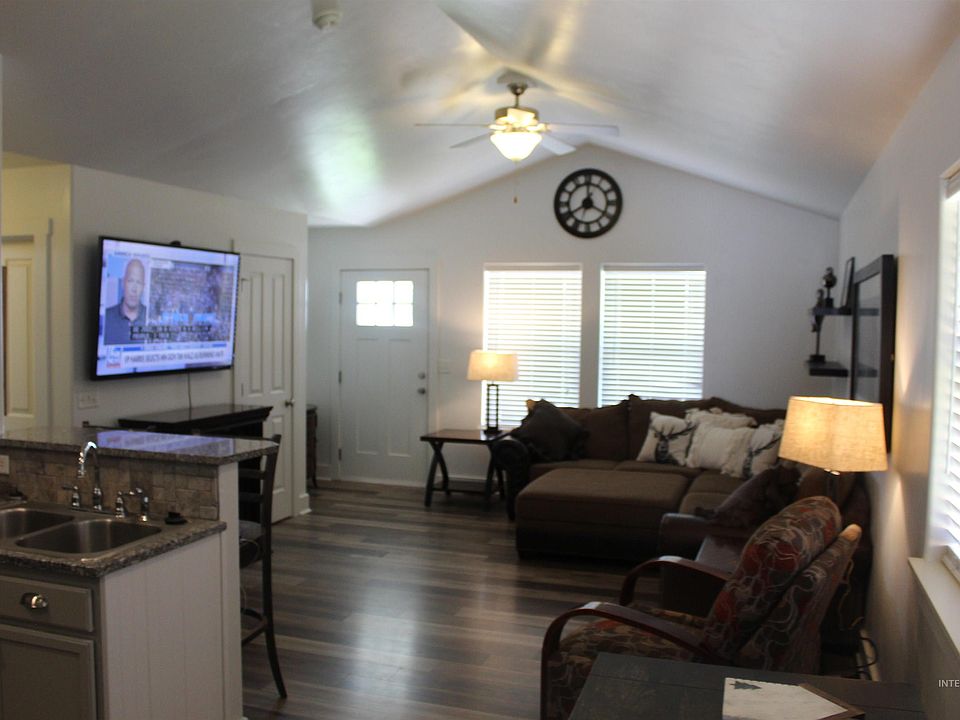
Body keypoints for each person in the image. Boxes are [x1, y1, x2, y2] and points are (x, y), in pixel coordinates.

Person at [103, 258, 147, 344]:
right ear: (123, 283)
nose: (134, 289)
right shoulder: (107, 317)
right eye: (130, 281)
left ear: (143, 287)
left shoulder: (150, 317)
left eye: (139, 282)